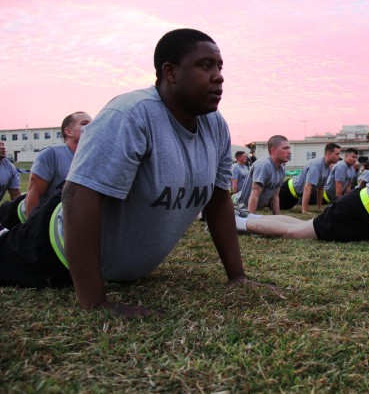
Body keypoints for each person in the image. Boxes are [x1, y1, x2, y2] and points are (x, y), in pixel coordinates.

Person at [0, 29, 265, 316]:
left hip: (120, 270)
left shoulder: (216, 126)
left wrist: (237, 277)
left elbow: (217, 201)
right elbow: (77, 196)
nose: (218, 76)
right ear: (170, 72)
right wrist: (97, 302)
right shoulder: (132, 115)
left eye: (219, 67)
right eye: (205, 65)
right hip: (54, 248)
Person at [235, 97, 369, 249]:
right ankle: (240, 223)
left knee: (304, 226)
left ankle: (247, 218)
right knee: (297, 232)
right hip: (359, 210)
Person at [23, 112, 93, 219]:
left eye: (93, 123)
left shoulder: (94, 158)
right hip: (48, 225)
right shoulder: (51, 154)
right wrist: (31, 229)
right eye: (84, 123)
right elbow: (33, 196)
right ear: (69, 131)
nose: (91, 126)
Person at [278, 143, 341, 213]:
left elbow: (321, 188)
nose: (339, 157)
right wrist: (305, 211)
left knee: (285, 208)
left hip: (296, 196)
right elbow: (307, 187)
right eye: (337, 154)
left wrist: (319, 208)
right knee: (269, 204)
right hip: (287, 190)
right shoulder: (316, 165)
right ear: (328, 154)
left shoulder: (328, 167)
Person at [235, 135, 290, 214]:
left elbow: (275, 196)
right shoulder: (263, 165)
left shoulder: (282, 169)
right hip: (238, 206)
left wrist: (277, 217)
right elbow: (254, 195)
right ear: (274, 150)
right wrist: (251, 220)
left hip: (251, 207)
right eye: (285, 148)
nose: (289, 151)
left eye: (289, 148)